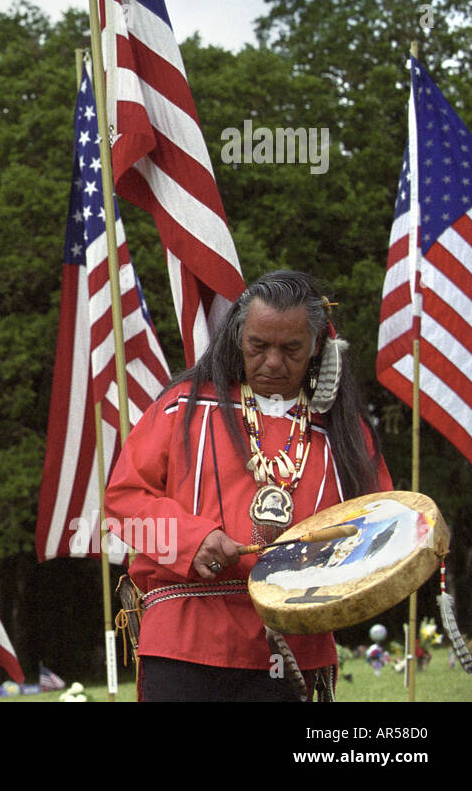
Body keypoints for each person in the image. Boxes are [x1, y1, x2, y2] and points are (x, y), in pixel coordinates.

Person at [106, 270, 392, 701]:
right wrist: (191, 540)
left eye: (291, 348)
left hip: (294, 647)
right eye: (259, 346)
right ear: (238, 338)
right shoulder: (184, 406)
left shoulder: (344, 432)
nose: (273, 362)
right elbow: (123, 503)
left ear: (317, 347)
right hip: (187, 641)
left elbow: (378, 524)